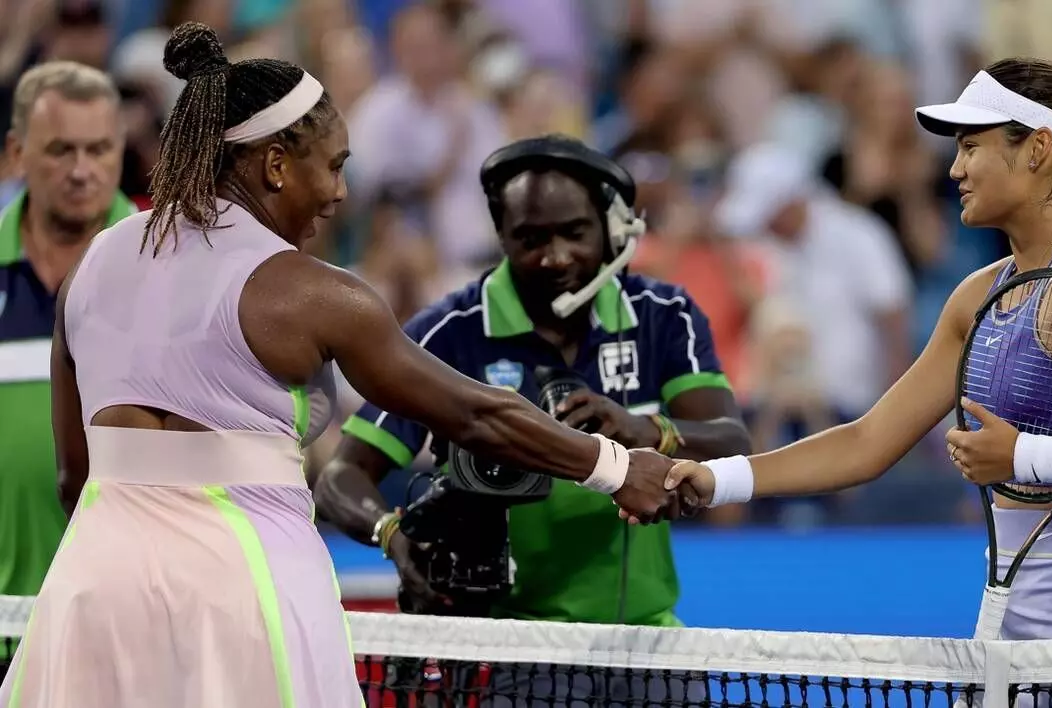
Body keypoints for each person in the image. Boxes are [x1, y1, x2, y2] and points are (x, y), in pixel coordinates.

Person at [0, 23, 676, 708]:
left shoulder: (92, 266)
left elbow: (73, 479)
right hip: (241, 595)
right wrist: (615, 468)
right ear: (275, 165)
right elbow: (475, 414)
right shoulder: (313, 293)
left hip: (92, 589)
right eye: (334, 165)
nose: (340, 192)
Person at [663, 57, 1052, 689]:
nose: (954, 169)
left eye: (971, 147)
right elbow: (867, 442)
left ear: (1037, 149)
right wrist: (718, 478)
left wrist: (1025, 456)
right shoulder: (975, 296)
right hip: (1010, 618)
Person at [314, 134, 749, 705]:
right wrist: (392, 536)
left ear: (612, 228)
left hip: (655, 645)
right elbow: (340, 478)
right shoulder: (449, 334)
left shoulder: (664, 316)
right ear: (501, 236)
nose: (556, 256)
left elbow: (731, 442)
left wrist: (650, 430)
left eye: (574, 232)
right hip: (516, 651)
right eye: (531, 238)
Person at [0, 62, 133, 617]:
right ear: (16, 153)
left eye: (98, 149)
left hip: (126, 617)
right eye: (61, 151)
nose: (82, 171)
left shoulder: (170, 269)